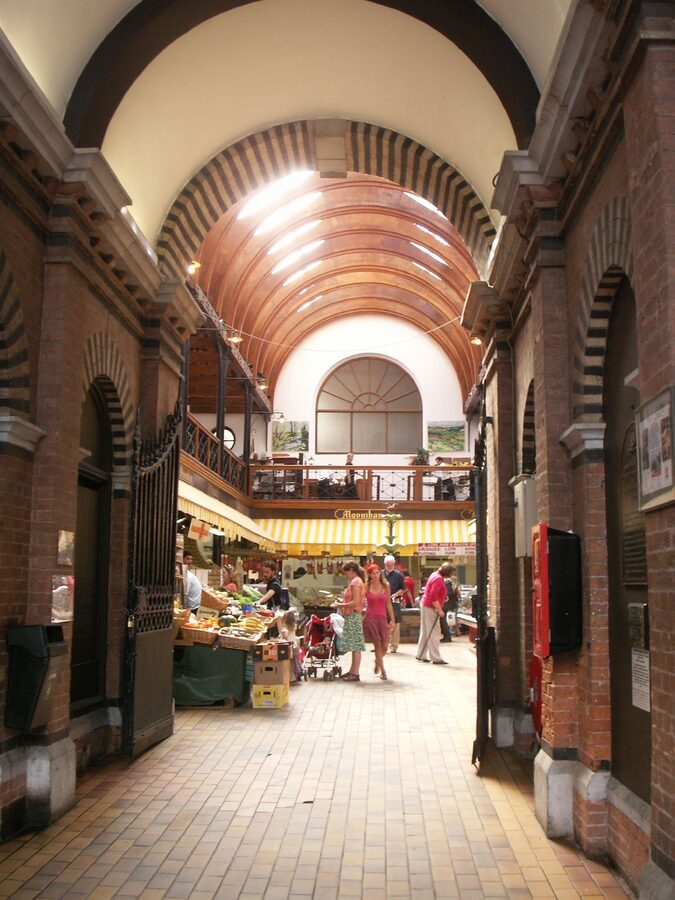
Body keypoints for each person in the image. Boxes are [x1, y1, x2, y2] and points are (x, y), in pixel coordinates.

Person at [416, 561, 455, 664]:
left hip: (426, 605)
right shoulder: (438, 579)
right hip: (430, 607)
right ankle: (435, 657)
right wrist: (440, 610)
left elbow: (433, 593)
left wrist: (443, 597)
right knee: (434, 632)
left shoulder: (434, 574)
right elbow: (433, 597)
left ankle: (421, 655)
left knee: (425, 631)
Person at [334, 560, 366, 681]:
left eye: (346, 572)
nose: (345, 575)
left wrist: (340, 605)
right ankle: (352, 671)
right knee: (354, 645)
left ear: (352, 571)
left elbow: (355, 601)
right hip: (353, 615)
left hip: (353, 614)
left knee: (355, 645)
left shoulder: (355, 582)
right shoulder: (356, 581)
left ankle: (355, 673)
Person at [363, 564, 395, 680]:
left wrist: (392, 618)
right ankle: (383, 671)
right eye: (373, 573)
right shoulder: (366, 586)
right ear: (369, 575)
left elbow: (388, 603)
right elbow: (362, 602)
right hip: (371, 617)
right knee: (377, 644)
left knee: (385, 646)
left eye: (377, 572)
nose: (376, 575)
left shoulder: (386, 585)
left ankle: (377, 661)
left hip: (382, 617)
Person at [382, 555, 405, 653]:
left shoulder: (398, 575)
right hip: (382, 602)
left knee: (395, 623)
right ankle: (383, 645)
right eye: (388, 565)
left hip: (394, 602)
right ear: (385, 564)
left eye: (392, 565)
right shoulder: (380, 574)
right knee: (382, 623)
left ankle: (394, 646)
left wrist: (395, 594)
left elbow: (403, 588)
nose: (390, 566)